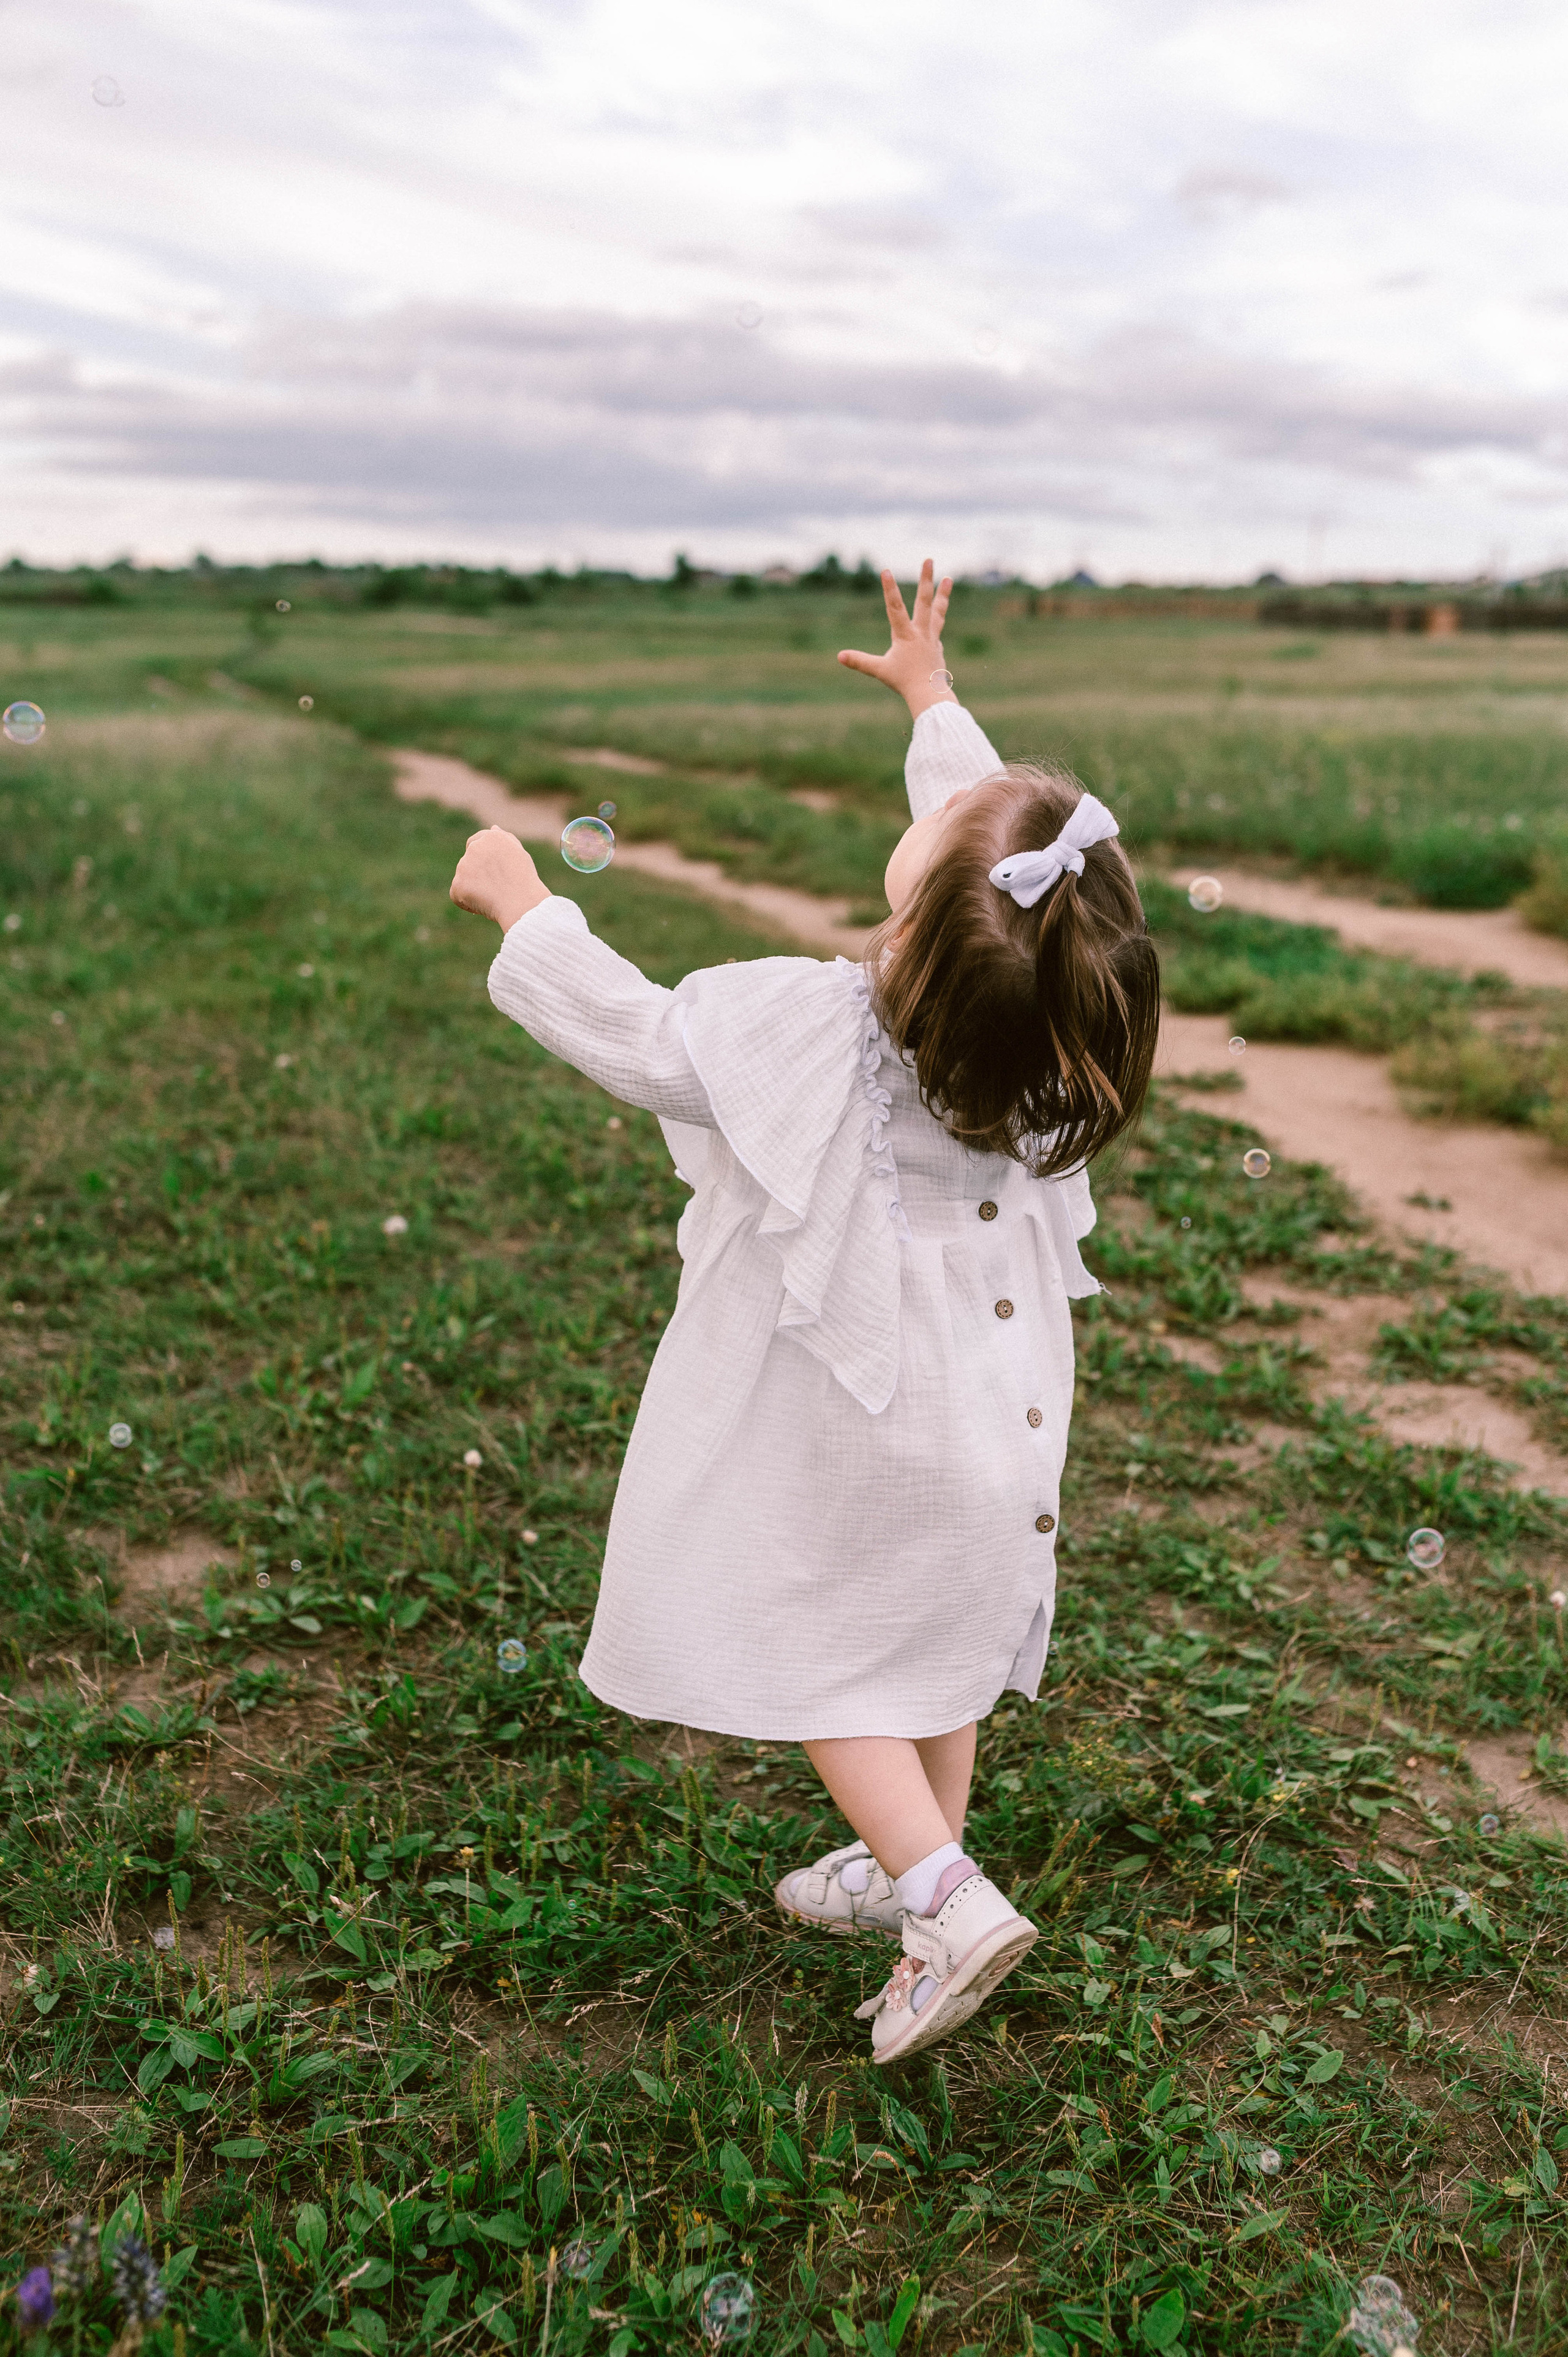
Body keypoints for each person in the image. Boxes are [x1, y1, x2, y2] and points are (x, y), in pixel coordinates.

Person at [449, 561, 1159, 2065]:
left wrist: (523, 911)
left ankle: (945, 1898)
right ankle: (903, 1871)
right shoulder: (1041, 1041)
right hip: (1001, 1419)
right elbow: (989, 851)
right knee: (934, 1635)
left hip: (866, 1419)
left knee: (824, 1645)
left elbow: (641, 1040)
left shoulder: (820, 1026)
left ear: (913, 924)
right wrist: (930, 699)